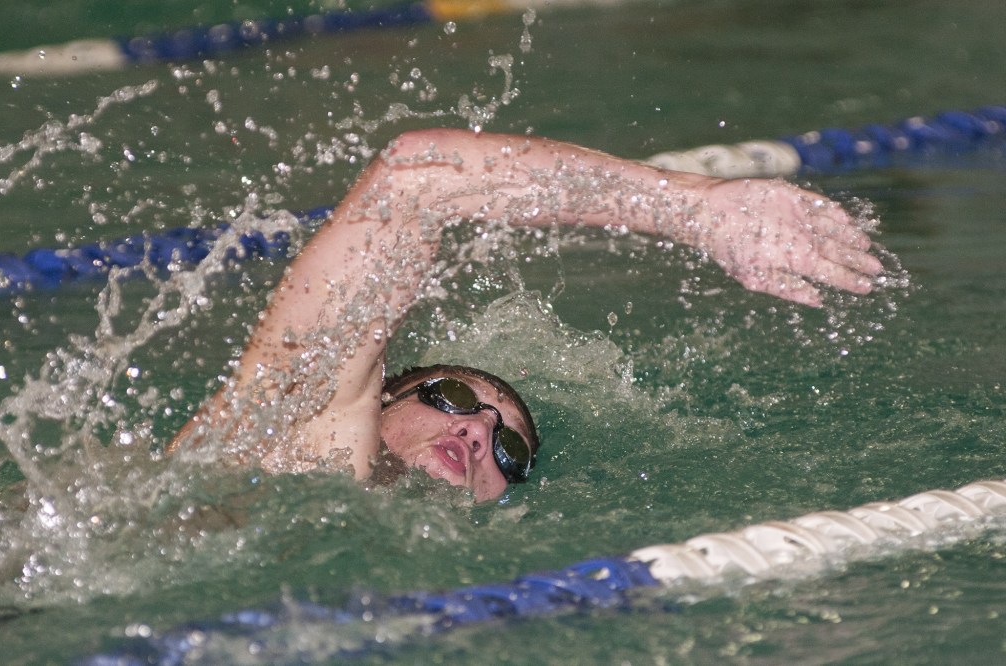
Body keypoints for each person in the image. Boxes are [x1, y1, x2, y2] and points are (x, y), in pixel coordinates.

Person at [169, 128, 882, 501]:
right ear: (380, 395)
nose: (479, 428)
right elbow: (416, 180)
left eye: (510, 452)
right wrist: (692, 206)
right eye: (453, 397)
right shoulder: (298, 433)